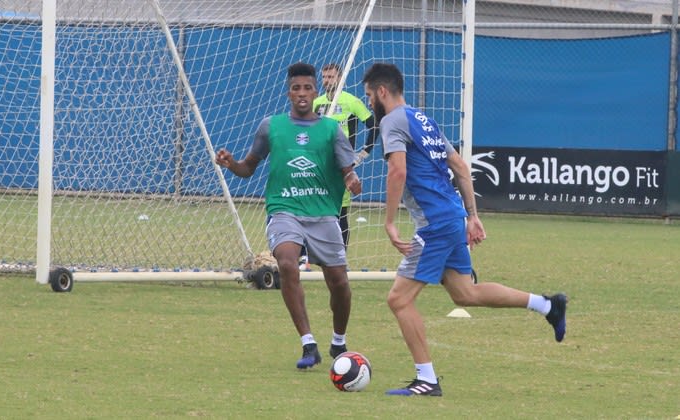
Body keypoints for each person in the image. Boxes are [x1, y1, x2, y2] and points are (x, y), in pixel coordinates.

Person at [362, 63, 567, 397]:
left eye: (369, 95)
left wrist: (388, 222)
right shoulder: (422, 119)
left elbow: (397, 171)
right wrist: (471, 215)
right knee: (464, 293)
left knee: (399, 300)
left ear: (382, 92)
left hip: (435, 223)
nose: (369, 101)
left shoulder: (391, 122)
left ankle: (426, 380)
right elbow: (458, 164)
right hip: (452, 215)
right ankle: (547, 305)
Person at [215, 62, 362, 370]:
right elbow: (248, 168)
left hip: (323, 212)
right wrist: (231, 164)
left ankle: (339, 340)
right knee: (285, 262)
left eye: (308, 87)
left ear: (315, 91)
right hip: (284, 209)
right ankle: (309, 344)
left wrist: (351, 180)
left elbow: (347, 170)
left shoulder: (331, 129)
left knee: (338, 282)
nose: (302, 94)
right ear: (288, 93)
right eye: (296, 88)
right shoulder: (271, 126)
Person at [313, 63, 378, 250]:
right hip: (319, 166)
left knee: (341, 213)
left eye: (331, 77)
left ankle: (341, 257)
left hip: (343, 168)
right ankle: (308, 257)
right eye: (324, 77)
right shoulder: (317, 103)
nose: (327, 81)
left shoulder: (352, 102)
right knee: (314, 212)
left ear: (340, 78)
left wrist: (362, 154)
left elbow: (374, 126)